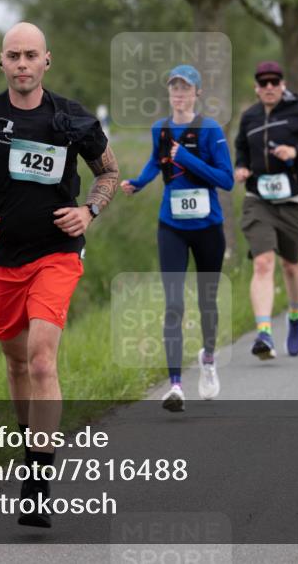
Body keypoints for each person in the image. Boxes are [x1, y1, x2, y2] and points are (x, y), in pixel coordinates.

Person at [0, 22, 118, 528]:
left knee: (42, 362)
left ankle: (38, 483)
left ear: (47, 61)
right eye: (13, 56)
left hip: (55, 254)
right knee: (17, 364)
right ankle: (30, 452)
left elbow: (108, 172)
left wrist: (88, 212)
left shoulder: (72, 118)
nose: (22, 64)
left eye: (31, 55)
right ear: (1, 62)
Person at [121, 65, 234, 412]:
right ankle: (174, 386)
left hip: (208, 227)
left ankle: (209, 359)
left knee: (207, 302)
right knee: (173, 305)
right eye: (174, 89)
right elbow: (156, 163)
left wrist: (184, 157)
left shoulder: (210, 129)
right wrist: (138, 183)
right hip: (171, 226)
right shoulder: (161, 128)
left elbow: (226, 180)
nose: (179, 95)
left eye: (186, 89)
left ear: (197, 94)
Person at [234, 61, 298, 359]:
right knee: (263, 263)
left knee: (291, 265)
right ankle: (264, 332)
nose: (268, 87)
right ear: (256, 87)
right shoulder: (250, 116)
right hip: (258, 199)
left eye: (273, 82)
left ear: (282, 84)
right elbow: (241, 148)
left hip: (295, 201)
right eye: (262, 83)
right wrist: (241, 167)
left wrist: (297, 153)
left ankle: (294, 315)